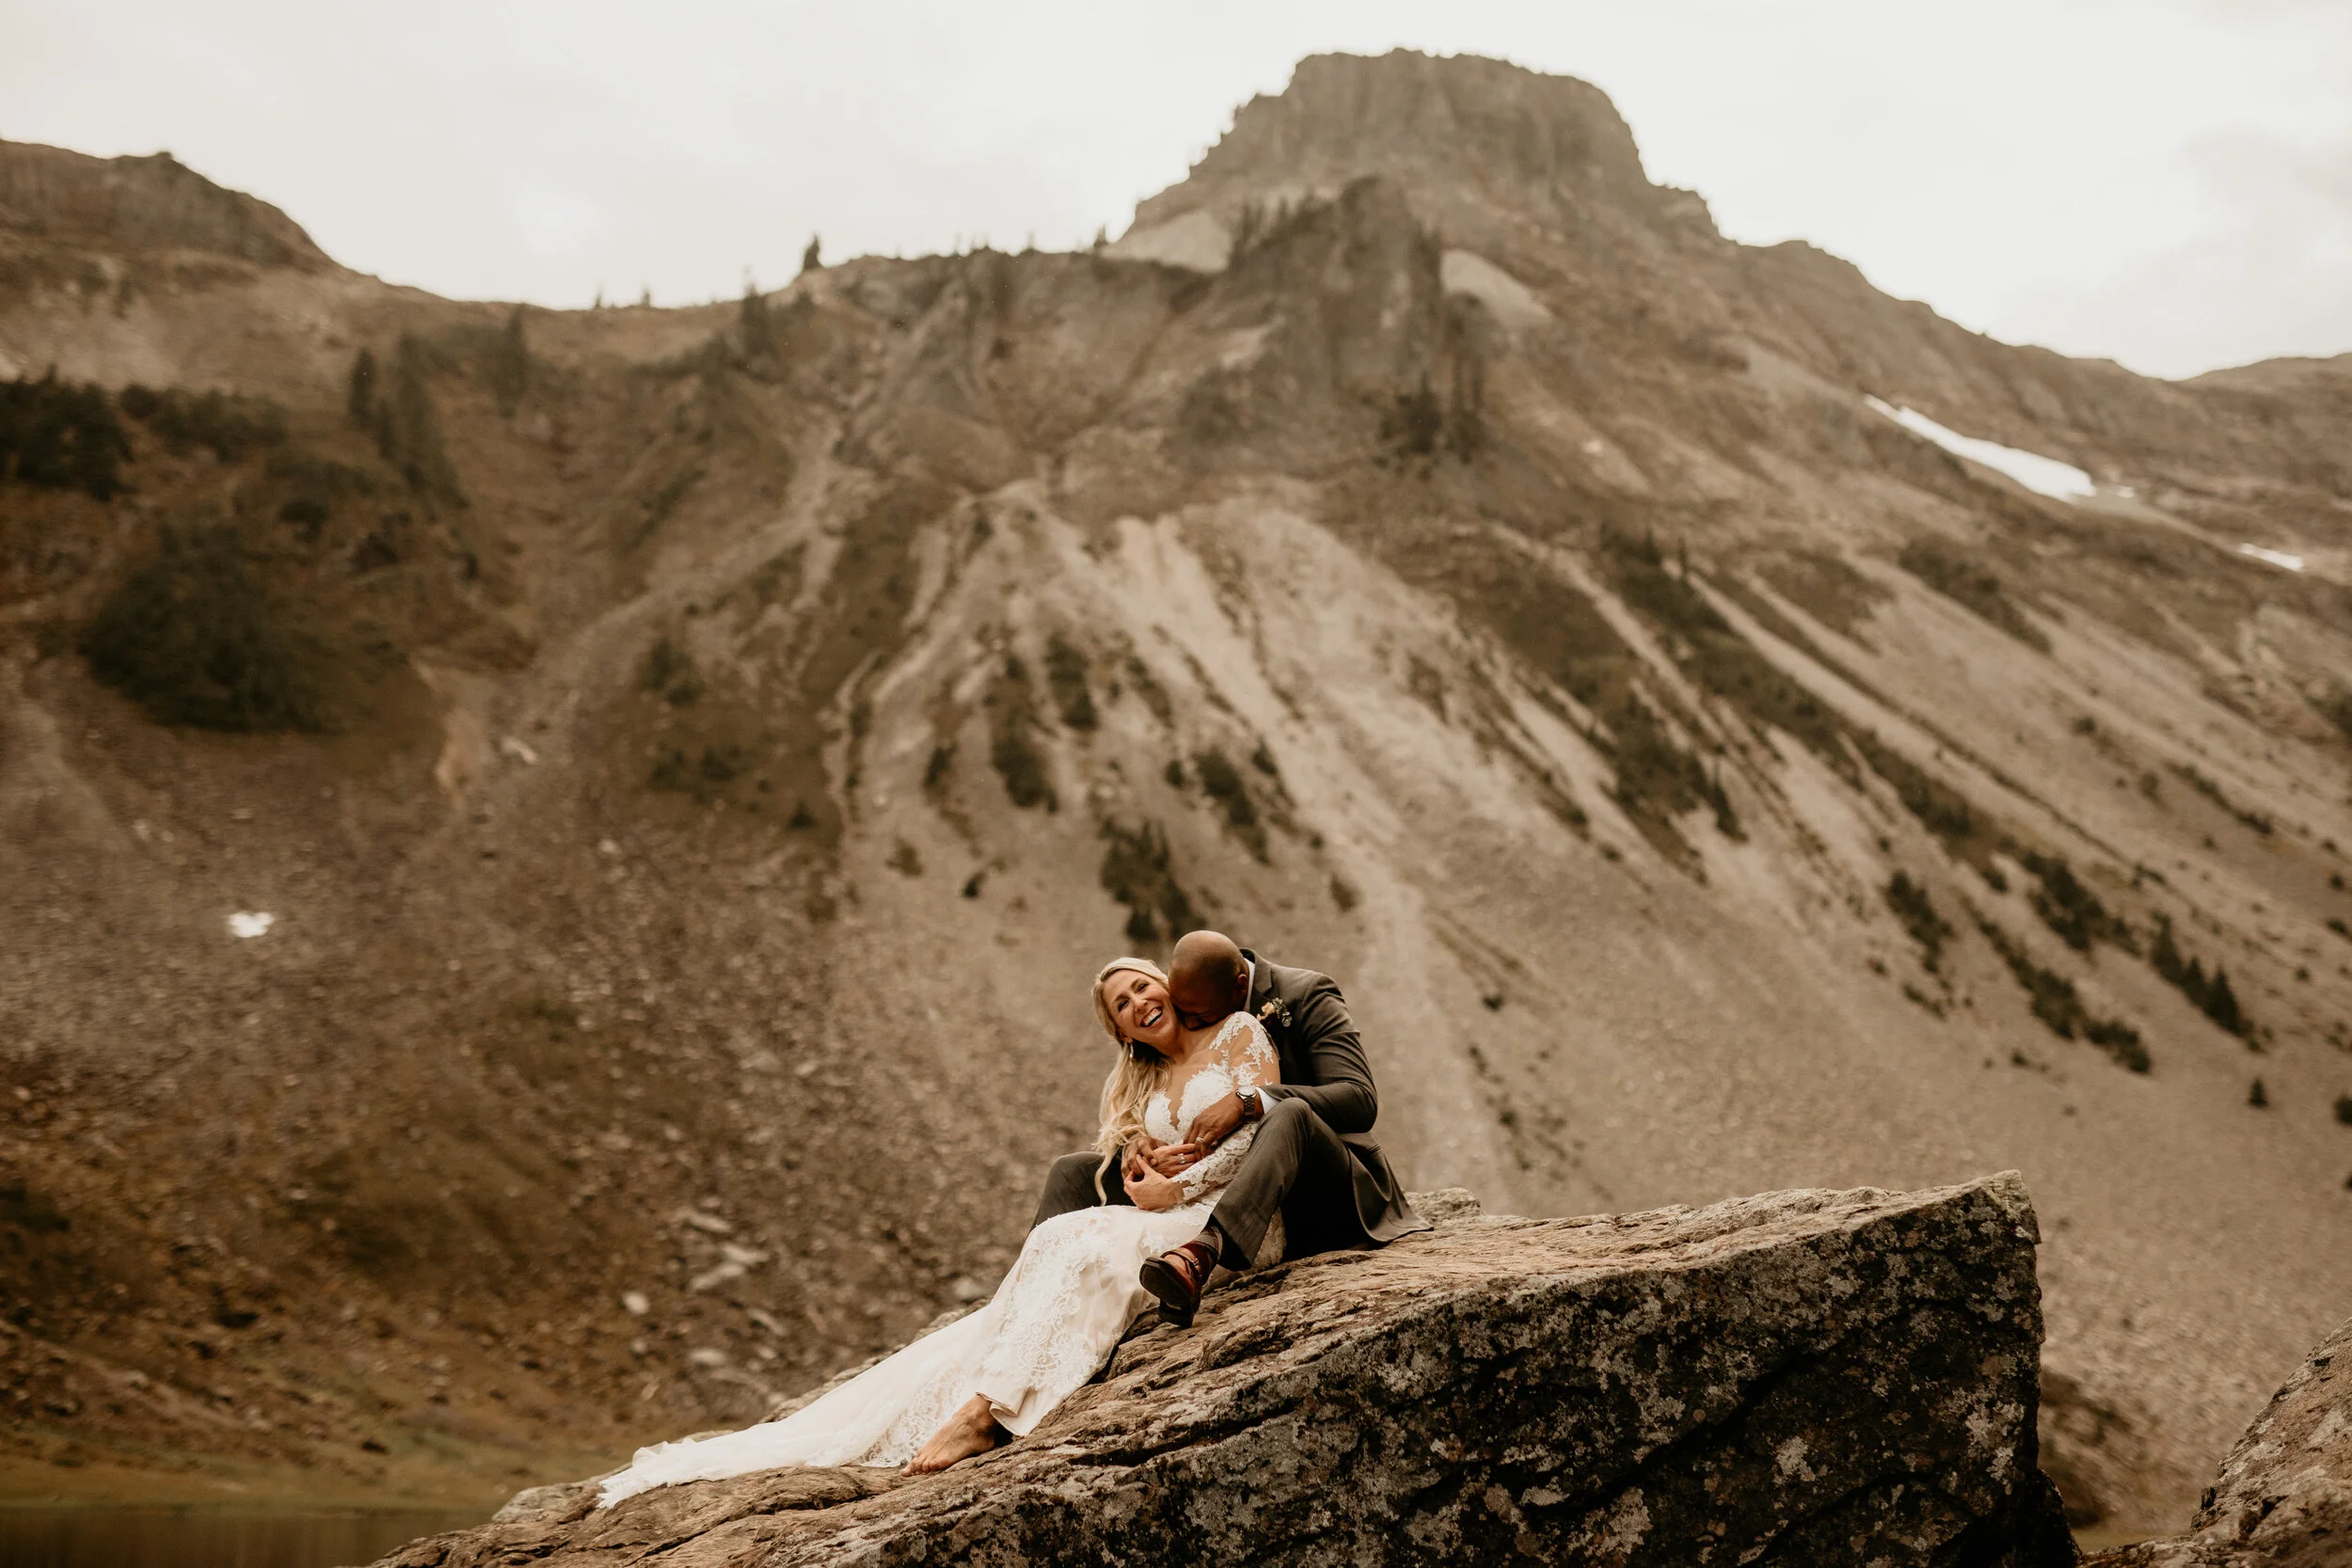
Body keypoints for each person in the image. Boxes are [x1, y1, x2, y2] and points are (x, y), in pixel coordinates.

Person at [593, 955, 1279, 1504]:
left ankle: (990, 1410)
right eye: (1122, 1006)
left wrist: (1175, 1186)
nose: (1138, 1002)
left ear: (1167, 982)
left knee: (1095, 1249)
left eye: (1141, 986)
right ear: (1123, 1032)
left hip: (1216, 1217)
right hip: (1159, 1207)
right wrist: (1139, 1167)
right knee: (1054, 1239)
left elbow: (1263, 1135)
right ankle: (984, 1390)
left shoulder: (1239, 1034)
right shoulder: (1147, 1082)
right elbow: (1137, 1152)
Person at [1031, 930, 1426, 1330]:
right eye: (1183, 1011)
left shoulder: (1307, 993)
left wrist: (1248, 1098)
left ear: (1240, 987)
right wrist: (1139, 1145)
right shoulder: (1199, 994)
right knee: (1075, 1170)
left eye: (1197, 1016)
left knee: (1290, 1112)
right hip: (1243, 1185)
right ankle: (1024, 1292)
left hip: (1325, 1189)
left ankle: (1202, 1254)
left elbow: (1360, 1100)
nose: (1189, 1022)